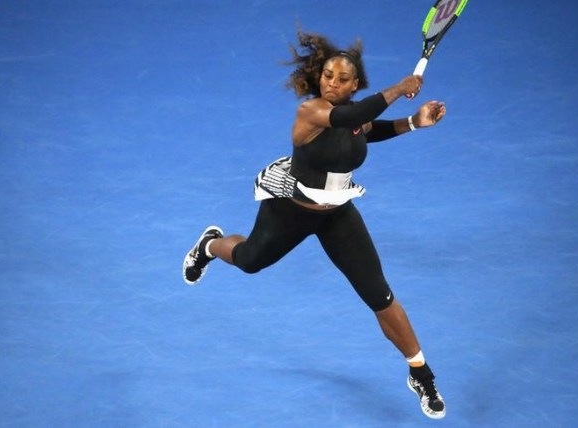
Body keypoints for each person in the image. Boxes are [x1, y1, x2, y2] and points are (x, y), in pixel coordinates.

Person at [182, 30, 448, 420]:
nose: (333, 83)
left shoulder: (358, 118)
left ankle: (421, 373)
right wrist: (400, 88)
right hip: (290, 211)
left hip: (337, 214)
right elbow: (353, 116)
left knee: (379, 294)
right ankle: (209, 244)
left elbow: (369, 128)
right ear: (318, 78)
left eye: (343, 79)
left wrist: (414, 121)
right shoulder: (311, 113)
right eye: (328, 76)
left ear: (355, 84)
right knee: (249, 259)